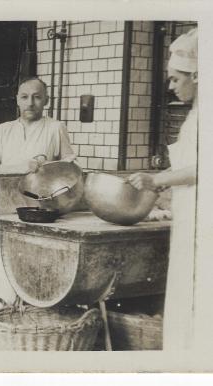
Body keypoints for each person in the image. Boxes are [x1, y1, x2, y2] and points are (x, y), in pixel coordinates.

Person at [0, 77, 76, 310]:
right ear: (17, 101)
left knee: (26, 262)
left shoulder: (55, 128)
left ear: (46, 100)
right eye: (24, 97)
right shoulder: (3, 130)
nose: (30, 102)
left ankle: (25, 318)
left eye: (37, 96)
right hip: (0, 203)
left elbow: (70, 168)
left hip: (37, 208)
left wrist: (48, 168)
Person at [128, 28, 198, 351]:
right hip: (191, 214)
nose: (170, 87)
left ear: (196, 76)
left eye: (174, 79)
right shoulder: (194, 116)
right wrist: (156, 176)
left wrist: (157, 181)